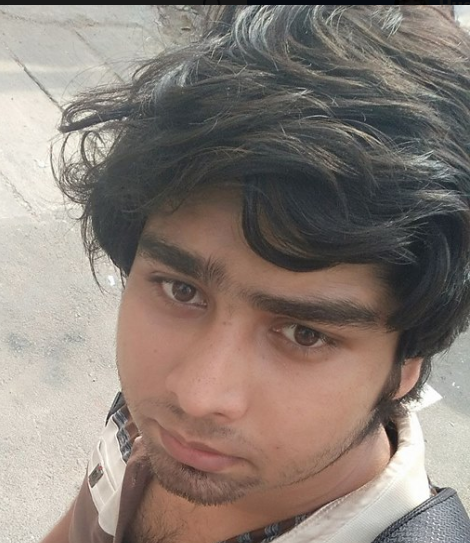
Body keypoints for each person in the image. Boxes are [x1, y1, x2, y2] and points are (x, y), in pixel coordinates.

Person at [41, 5, 470, 543]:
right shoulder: (155, 419)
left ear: (405, 365)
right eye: (182, 290)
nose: (197, 396)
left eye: (304, 333)